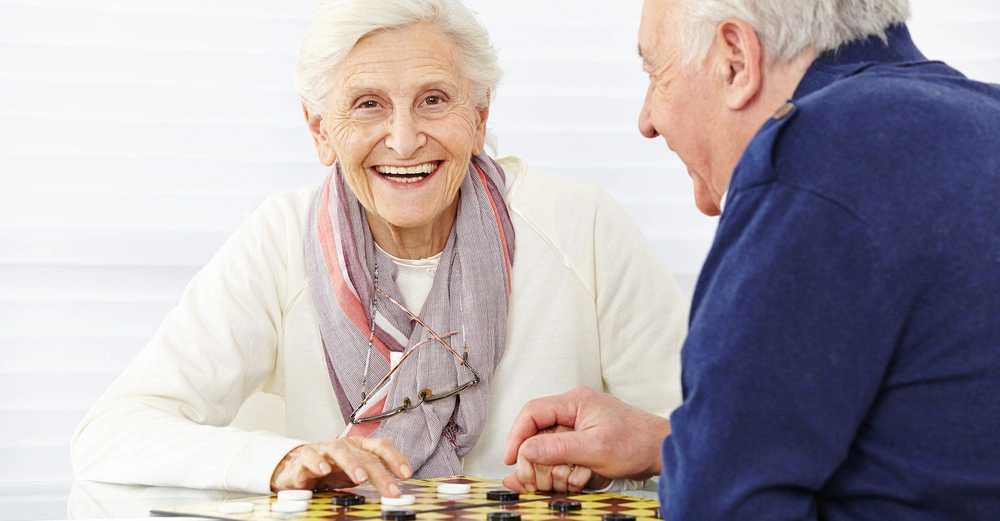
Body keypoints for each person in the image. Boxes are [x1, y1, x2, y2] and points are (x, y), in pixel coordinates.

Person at [70, 0, 689, 498]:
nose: (404, 138)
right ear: (320, 130)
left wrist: (621, 462)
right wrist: (284, 460)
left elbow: (702, 434)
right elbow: (112, 431)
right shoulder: (277, 239)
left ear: (479, 117)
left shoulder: (582, 226)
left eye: (433, 100)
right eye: (368, 105)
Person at [503, 0, 1000, 519]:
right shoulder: (981, 118)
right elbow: (923, 453)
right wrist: (668, 445)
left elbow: (719, 508)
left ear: (736, 62)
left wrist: (703, 468)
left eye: (656, 73)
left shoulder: (812, 161)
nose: (646, 120)